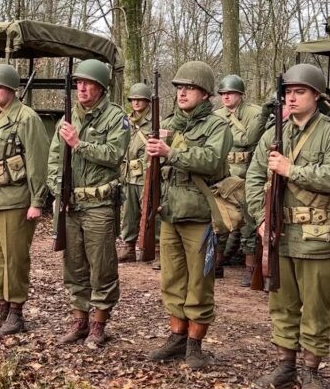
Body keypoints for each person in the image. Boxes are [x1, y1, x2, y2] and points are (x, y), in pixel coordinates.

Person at [246, 64, 330, 389]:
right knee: (282, 304)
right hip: (281, 235)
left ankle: (311, 370)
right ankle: (285, 364)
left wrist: (292, 169)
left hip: (318, 237)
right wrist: (261, 220)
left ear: (317, 96)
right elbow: (252, 179)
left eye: (300, 92)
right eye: (288, 92)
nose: (291, 98)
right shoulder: (273, 134)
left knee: (316, 307)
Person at [145, 61, 232, 370]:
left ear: (205, 94)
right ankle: (176, 337)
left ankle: (195, 345)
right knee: (172, 278)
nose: (182, 93)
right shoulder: (169, 122)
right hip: (170, 211)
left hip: (199, 213)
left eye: (189, 88)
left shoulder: (217, 126)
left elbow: (210, 160)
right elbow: (138, 148)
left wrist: (171, 151)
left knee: (199, 282)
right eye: (179, 88)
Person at [48, 59, 130, 347]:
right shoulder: (69, 117)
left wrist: (80, 144)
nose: (81, 88)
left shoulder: (115, 117)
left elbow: (115, 154)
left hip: (99, 204)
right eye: (78, 83)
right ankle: (80, 320)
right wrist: (58, 190)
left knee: (102, 265)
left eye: (88, 83)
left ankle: (99, 323)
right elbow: (55, 159)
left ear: (101, 87)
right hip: (71, 203)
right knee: (74, 265)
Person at [0, 63, 50, 336]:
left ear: (11, 89)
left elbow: (39, 163)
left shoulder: (26, 118)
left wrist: (37, 202)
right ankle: (1, 307)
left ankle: (16, 312)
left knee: (15, 257)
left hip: (16, 199)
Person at [214, 74, 264, 284]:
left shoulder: (255, 113)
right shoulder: (216, 115)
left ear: (240, 95)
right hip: (224, 175)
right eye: (223, 93)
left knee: (249, 222)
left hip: (246, 174)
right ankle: (216, 264)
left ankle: (252, 269)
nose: (226, 97)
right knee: (220, 219)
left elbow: (251, 139)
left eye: (231, 93)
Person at [119, 82, 153, 263]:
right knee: (128, 213)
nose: (136, 103)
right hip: (127, 175)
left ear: (147, 101)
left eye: (140, 99)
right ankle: (128, 247)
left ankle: (154, 248)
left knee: (150, 213)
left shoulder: (155, 122)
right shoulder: (126, 121)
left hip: (145, 175)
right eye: (133, 99)